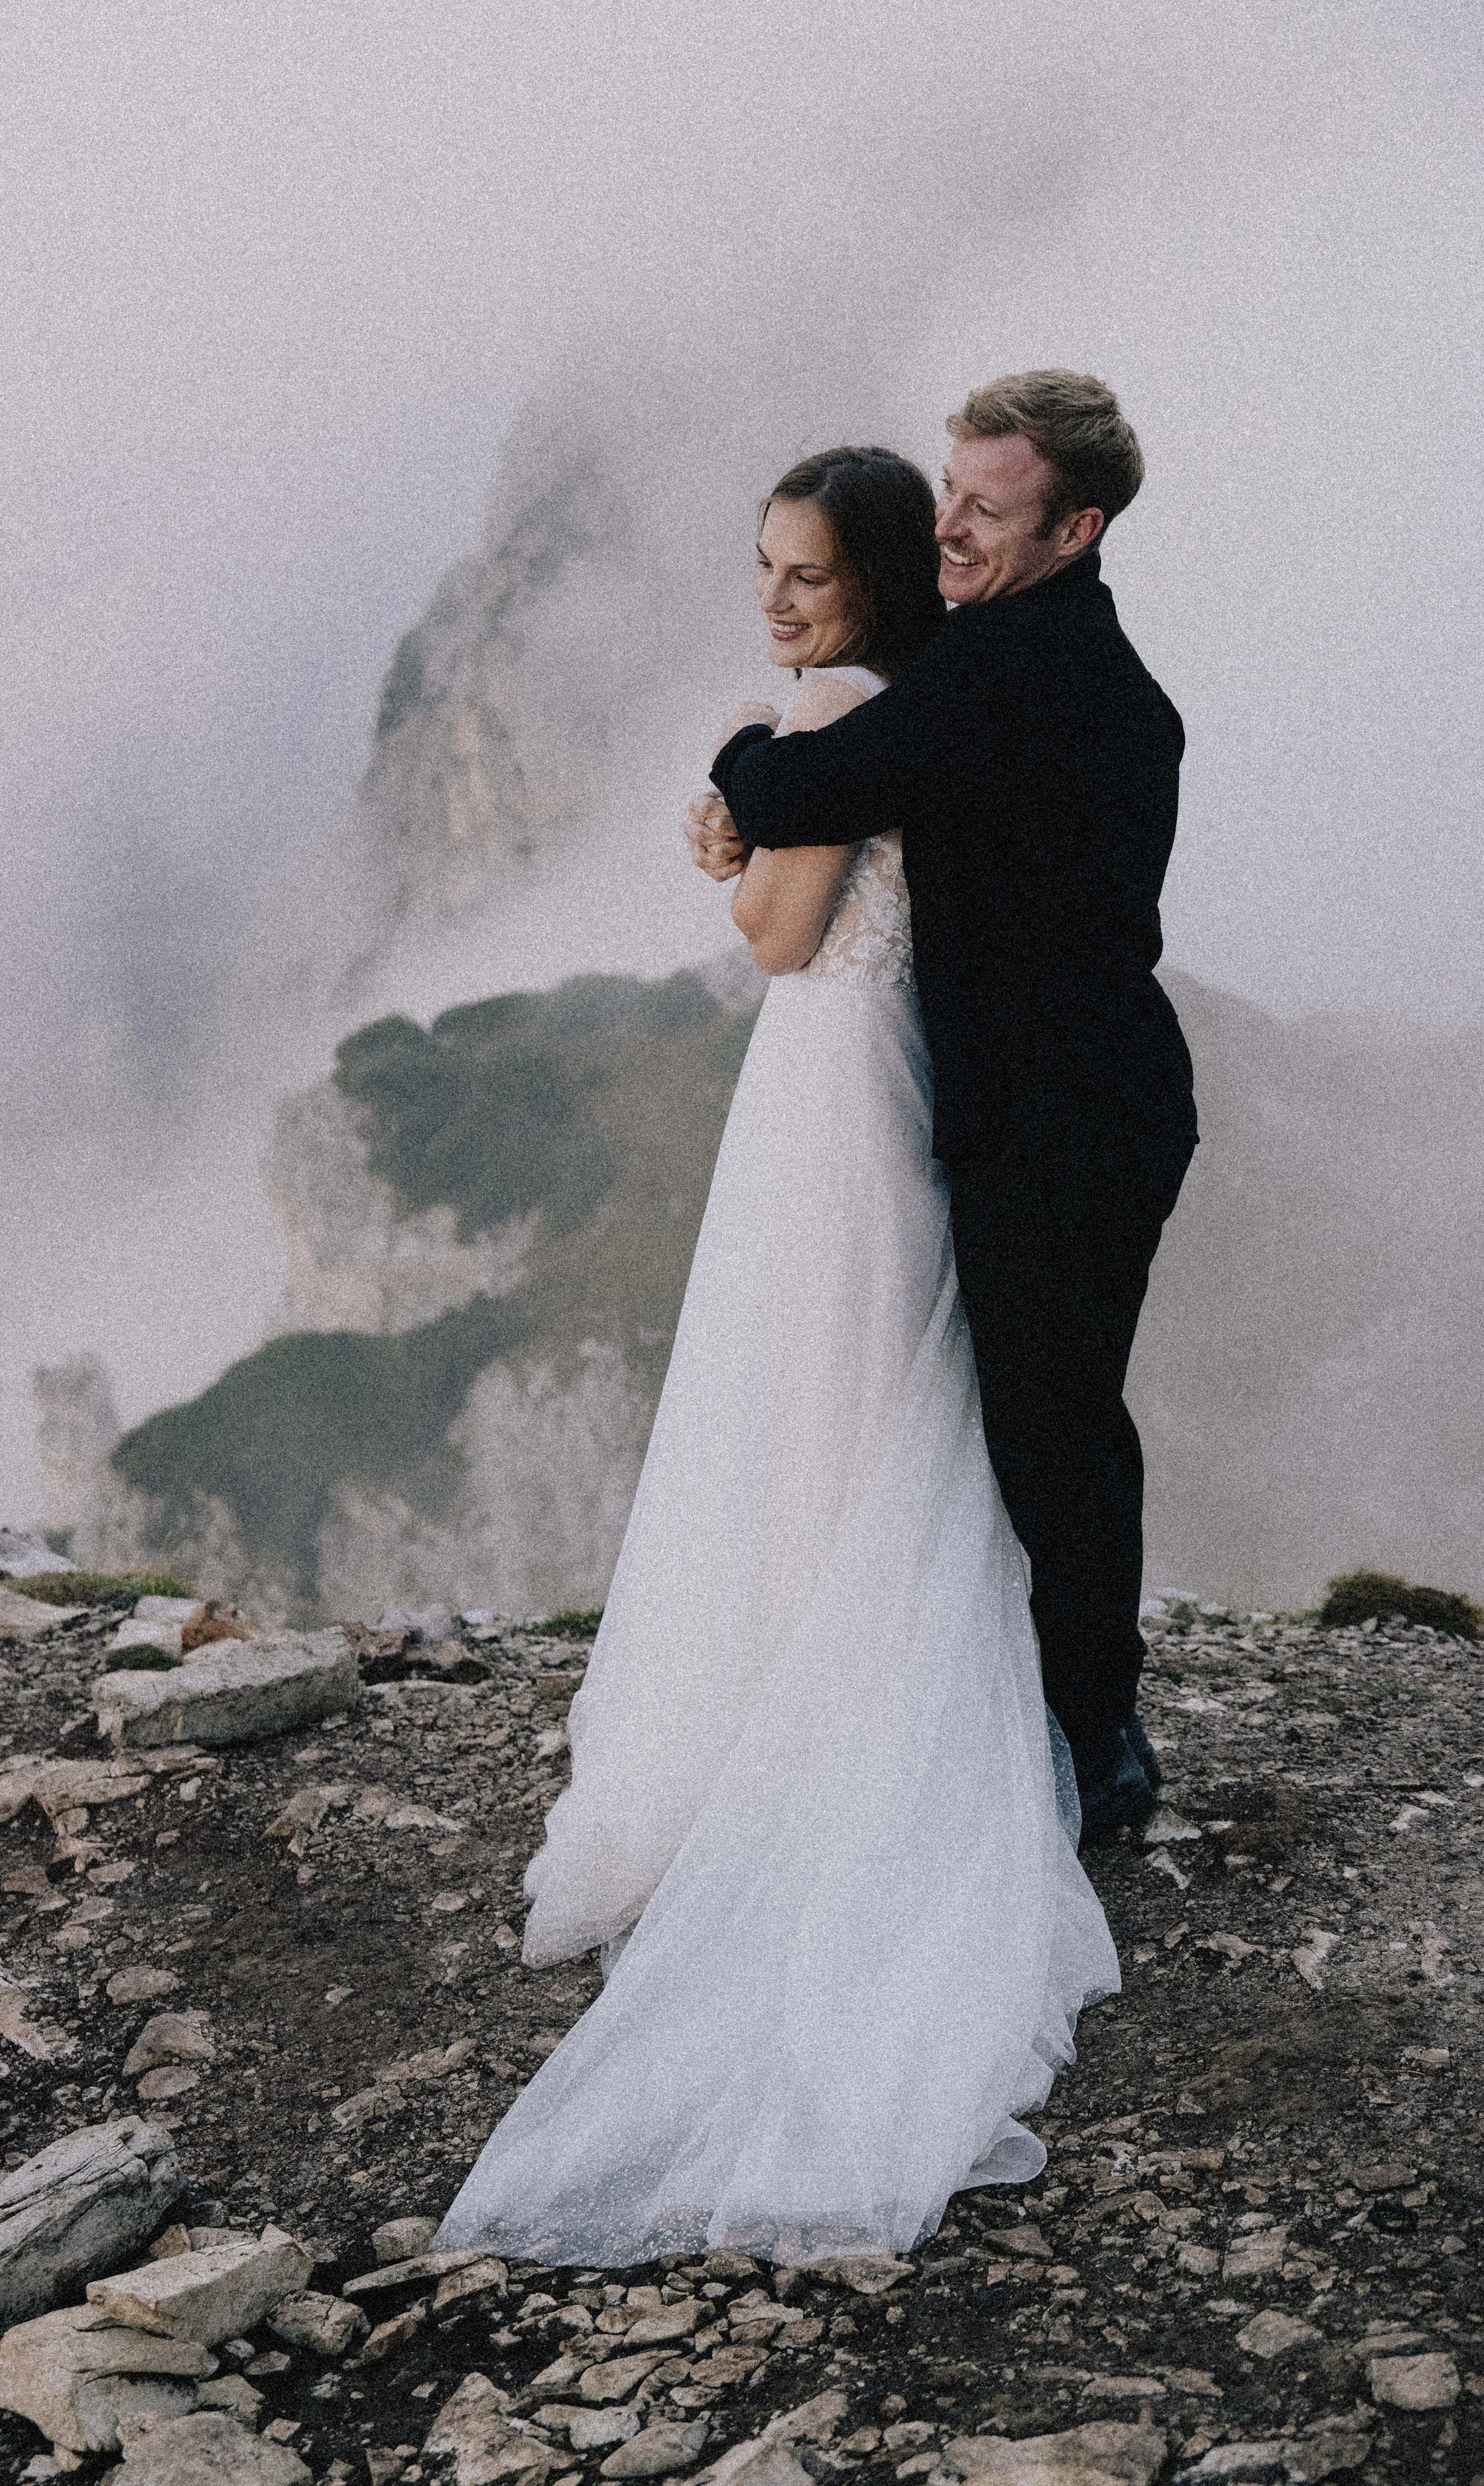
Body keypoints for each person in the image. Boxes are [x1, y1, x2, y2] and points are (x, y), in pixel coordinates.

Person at [433, 443, 1118, 2270]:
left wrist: (731, 833)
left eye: (802, 572)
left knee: (797, 1393)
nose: (775, 599)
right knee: (872, 1405)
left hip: (823, 1103)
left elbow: (782, 935)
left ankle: (782, 1745)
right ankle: (851, 1703)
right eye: (759, 568)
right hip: (883, 1095)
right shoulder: (909, 702)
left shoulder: (826, 710)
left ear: (872, 576)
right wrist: (748, 809)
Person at [697, 371, 1196, 1838]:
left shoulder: (1013, 667)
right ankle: (1055, 1706)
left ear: (1075, 525)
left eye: (985, 507)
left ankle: (1095, 1740)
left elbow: (811, 788)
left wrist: (738, 750)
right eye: (945, 490)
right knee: (1041, 1416)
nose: (947, 524)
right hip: (1067, 1092)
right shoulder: (1030, 653)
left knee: (1051, 1425)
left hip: (1064, 1116)